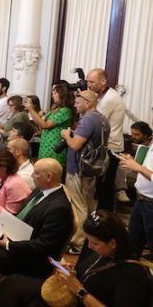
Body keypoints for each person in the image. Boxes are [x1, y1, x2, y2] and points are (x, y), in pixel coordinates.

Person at [0, 210, 151, 307]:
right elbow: (91, 274)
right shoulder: (103, 252)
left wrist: (80, 291)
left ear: (113, 243)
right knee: (10, 285)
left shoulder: (132, 275)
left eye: (95, 243)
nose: (89, 246)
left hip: (81, 300)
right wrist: (71, 274)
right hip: (74, 296)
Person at [0, 158, 74, 292]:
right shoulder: (39, 190)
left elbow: (43, 246)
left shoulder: (60, 208)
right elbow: (23, 217)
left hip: (29, 256)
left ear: (49, 177)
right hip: (15, 235)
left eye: (36, 173)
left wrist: (8, 245)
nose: (32, 176)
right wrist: (5, 232)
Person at [61, 89, 110, 254]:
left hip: (78, 170)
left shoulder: (88, 120)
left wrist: (67, 135)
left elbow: (75, 145)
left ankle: (78, 243)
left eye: (77, 102)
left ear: (88, 103)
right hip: (92, 169)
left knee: (79, 207)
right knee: (90, 207)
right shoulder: (103, 119)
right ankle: (90, 239)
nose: (74, 104)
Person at [86, 68, 126, 211]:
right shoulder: (102, 96)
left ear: (103, 81)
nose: (88, 85)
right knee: (102, 186)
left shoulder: (110, 98)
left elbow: (94, 120)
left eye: (91, 81)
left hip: (110, 148)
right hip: (105, 145)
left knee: (105, 187)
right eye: (87, 81)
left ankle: (105, 218)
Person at [118, 138, 153, 261]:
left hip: (151, 202)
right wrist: (133, 163)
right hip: (142, 199)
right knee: (132, 243)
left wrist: (138, 167)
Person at [26, 83, 74, 167]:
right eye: (53, 94)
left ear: (62, 95)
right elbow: (39, 122)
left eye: (55, 93)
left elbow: (45, 125)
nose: (53, 96)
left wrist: (31, 109)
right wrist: (32, 112)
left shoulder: (65, 111)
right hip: (45, 145)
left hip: (54, 147)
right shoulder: (54, 109)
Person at [116, 121, 152, 203]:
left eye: (137, 134)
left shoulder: (150, 146)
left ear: (145, 135)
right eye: (132, 134)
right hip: (140, 189)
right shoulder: (129, 142)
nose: (133, 137)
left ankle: (122, 190)